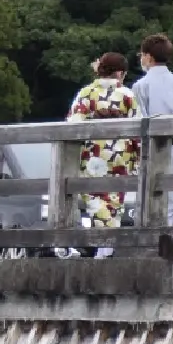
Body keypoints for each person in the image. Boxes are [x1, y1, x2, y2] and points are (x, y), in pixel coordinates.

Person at [67, 52, 140, 234]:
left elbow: (72, 124)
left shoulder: (87, 93)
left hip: (94, 155)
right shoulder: (127, 95)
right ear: (120, 73)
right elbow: (139, 129)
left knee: (95, 198)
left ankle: (105, 240)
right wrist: (138, 158)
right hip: (120, 157)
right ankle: (107, 242)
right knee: (115, 200)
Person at [136, 34, 173, 227]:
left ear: (149, 57)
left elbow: (140, 121)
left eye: (142, 55)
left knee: (155, 200)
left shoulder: (141, 86)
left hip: (154, 149)